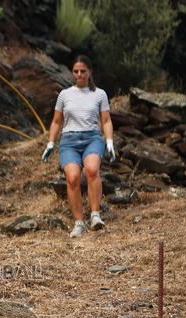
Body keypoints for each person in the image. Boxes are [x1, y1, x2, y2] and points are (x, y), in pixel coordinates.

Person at [41, 55, 117, 238]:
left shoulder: (99, 94)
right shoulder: (64, 95)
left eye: (83, 71)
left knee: (91, 169)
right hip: (69, 141)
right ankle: (78, 222)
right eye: (76, 71)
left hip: (92, 138)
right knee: (73, 178)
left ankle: (95, 215)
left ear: (90, 72)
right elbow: (57, 121)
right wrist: (51, 142)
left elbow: (105, 120)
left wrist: (109, 141)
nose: (79, 74)